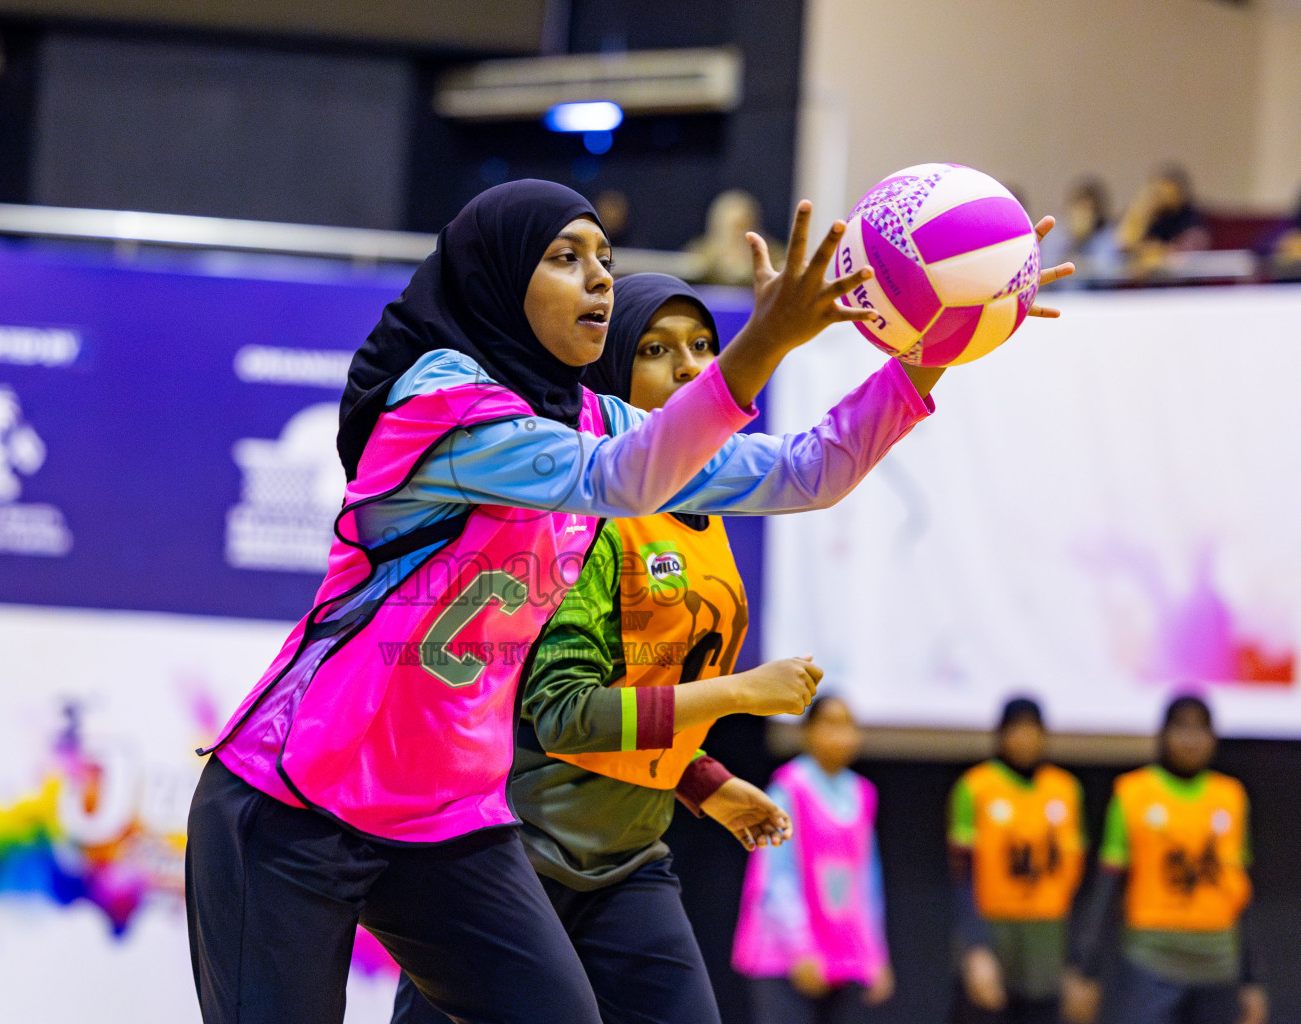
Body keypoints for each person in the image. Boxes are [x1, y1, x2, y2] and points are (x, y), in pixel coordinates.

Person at [185, 179, 1072, 1024]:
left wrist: (935, 349)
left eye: (605, 257)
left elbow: (812, 470)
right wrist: (765, 342)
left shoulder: (599, 419)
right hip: (296, 801)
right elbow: (621, 482)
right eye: (566, 257)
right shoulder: (441, 399)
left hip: (445, 817)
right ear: (496, 274)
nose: (601, 276)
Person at [391, 270, 881, 1024]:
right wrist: (741, 695)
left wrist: (700, 778)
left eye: (703, 346)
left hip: (626, 857)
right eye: (657, 349)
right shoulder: (583, 517)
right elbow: (561, 718)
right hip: (513, 853)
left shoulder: (704, 503)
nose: (690, 366)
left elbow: (823, 466)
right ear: (616, 379)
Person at [1063, 696, 1266, 1024]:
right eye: (1181, 728)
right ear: (1163, 734)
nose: (1190, 740)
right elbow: (1106, 889)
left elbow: (1241, 895)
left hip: (1217, 963)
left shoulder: (1230, 797)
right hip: (1151, 959)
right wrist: (1086, 970)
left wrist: (1252, 980)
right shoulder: (1133, 793)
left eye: (1200, 729)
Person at [733, 695, 894, 1024]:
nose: (840, 735)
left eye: (848, 725)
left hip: (839, 958)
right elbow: (775, 879)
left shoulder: (862, 794)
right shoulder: (787, 789)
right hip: (785, 957)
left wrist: (875, 955)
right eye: (830, 724)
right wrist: (800, 949)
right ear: (807, 732)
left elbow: (867, 882)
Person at [948, 698, 1084, 1024]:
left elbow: (1075, 876)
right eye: (1015, 729)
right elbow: (960, 876)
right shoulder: (975, 787)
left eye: (1032, 729)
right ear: (1000, 734)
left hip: (1046, 934)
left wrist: (1077, 962)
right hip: (993, 927)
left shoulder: (1065, 789)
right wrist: (975, 946)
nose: (1024, 738)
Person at [1117, 164, 1211, 274]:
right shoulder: (1152, 214)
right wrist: (1141, 209)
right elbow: (1124, 244)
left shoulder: (1189, 216)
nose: (1162, 195)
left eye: (1167, 190)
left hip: (1181, 279)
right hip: (1152, 277)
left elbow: (1185, 252)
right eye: (1157, 191)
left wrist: (1156, 252)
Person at [689, 189, 785, 286]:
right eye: (731, 227)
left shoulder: (771, 255)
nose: (736, 233)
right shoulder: (700, 254)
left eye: (742, 225)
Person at [1039, 178, 1123, 283]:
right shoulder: (1053, 230)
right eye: (1077, 208)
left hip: (1096, 295)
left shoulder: (1107, 234)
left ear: (1097, 214)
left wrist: (1082, 241)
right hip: (1056, 296)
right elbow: (1045, 266)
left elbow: (1110, 270)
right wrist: (1073, 239)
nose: (1081, 215)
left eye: (1087, 210)